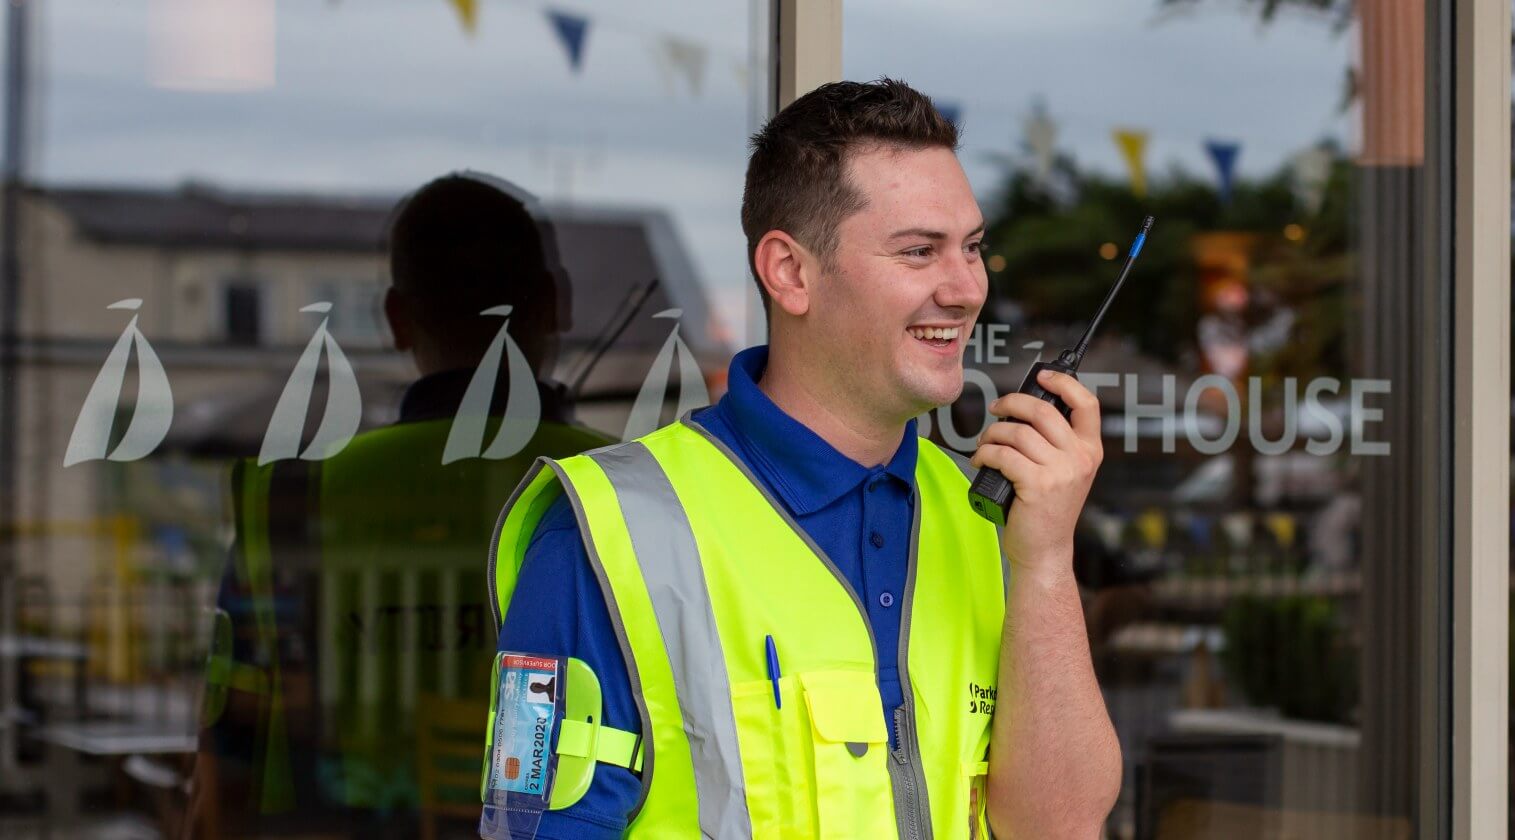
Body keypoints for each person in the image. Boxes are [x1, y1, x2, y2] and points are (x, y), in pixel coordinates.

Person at [488, 79, 1122, 838]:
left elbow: (1061, 829)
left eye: (973, 249)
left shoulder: (990, 517)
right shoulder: (609, 531)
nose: (966, 290)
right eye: (919, 252)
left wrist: (1047, 561)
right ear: (790, 272)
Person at [196, 173, 613, 838]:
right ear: (553, 303)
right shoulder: (626, 491)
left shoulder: (290, 504)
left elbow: (226, 764)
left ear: (394, 318)